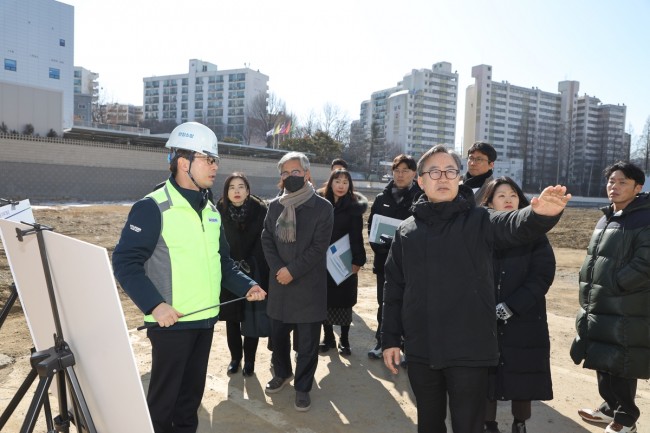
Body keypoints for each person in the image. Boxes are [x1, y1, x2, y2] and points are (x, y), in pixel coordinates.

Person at [381, 145, 570, 433]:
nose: (443, 177)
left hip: (470, 348)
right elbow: (394, 288)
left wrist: (539, 215)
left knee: (468, 425)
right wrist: (390, 338)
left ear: (459, 179)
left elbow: (513, 225)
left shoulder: (480, 220)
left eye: (450, 171)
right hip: (422, 347)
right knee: (428, 422)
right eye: (434, 172)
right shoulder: (407, 231)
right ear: (420, 181)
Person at [112, 122, 267, 433]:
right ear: (184, 163)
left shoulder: (210, 210)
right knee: (162, 407)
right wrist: (155, 305)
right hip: (171, 324)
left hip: (205, 321)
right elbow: (125, 262)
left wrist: (248, 285)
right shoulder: (152, 207)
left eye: (215, 160)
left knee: (189, 403)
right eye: (208, 159)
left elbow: (222, 262)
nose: (215, 166)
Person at [571, 161, 650, 433]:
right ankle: (609, 408)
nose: (614, 187)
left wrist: (618, 283)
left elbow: (645, 262)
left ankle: (626, 419)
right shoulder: (607, 216)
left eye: (622, 182)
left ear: (638, 187)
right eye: (611, 181)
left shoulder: (644, 217)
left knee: (622, 361)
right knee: (603, 357)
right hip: (601, 300)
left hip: (626, 303)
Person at [481, 177, 556, 433]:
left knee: (522, 372)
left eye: (513, 195)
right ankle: (488, 423)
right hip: (485, 317)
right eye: (501, 195)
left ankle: (520, 422)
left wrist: (512, 306)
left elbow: (542, 275)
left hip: (524, 318)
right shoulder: (480, 233)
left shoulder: (534, 234)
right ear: (489, 202)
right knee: (486, 374)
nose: (508, 200)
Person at [261, 151, 334, 412]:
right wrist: (279, 269)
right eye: (285, 173)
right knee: (278, 338)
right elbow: (267, 239)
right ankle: (282, 373)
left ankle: (303, 387)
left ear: (306, 174)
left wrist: (292, 270)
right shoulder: (274, 206)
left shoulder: (323, 208)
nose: (290, 176)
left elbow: (318, 247)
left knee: (307, 345)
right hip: (280, 285)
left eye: (295, 172)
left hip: (308, 287)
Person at [367, 154, 422, 360]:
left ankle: (408, 347)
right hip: (385, 261)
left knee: (410, 304)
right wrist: (381, 248)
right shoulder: (382, 198)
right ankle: (382, 342)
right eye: (397, 170)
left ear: (414, 173)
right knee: (385, 302)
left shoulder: (421, 198)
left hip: (411, 263)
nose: (400, 175)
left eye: (405, 171)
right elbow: (372, 227)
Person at [216, 172, 270, 377]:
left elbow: (263, 242)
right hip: (228, 271)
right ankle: (235, 358)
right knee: (232, 319)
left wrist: (250, 262)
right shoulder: (218, 212)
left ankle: (250, 361)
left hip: (253, 270)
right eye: (232, 187)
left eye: (241, 187)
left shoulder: (260, 211)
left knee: (251, 318)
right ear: (226, 192)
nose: (236, 191)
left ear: (248, 191)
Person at [318, 169, 368, 355]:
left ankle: (344, 340)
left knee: (345, 301)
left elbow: (357, 236)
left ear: (350, 186)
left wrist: (358, 260)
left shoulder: (353, 207)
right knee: (325, 300)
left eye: (345, 182)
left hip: (345, 259)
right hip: (323, 260)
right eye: (337, 181)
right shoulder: (322, 204)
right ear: (330, 183)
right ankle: (328, 337)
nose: (341, 186)